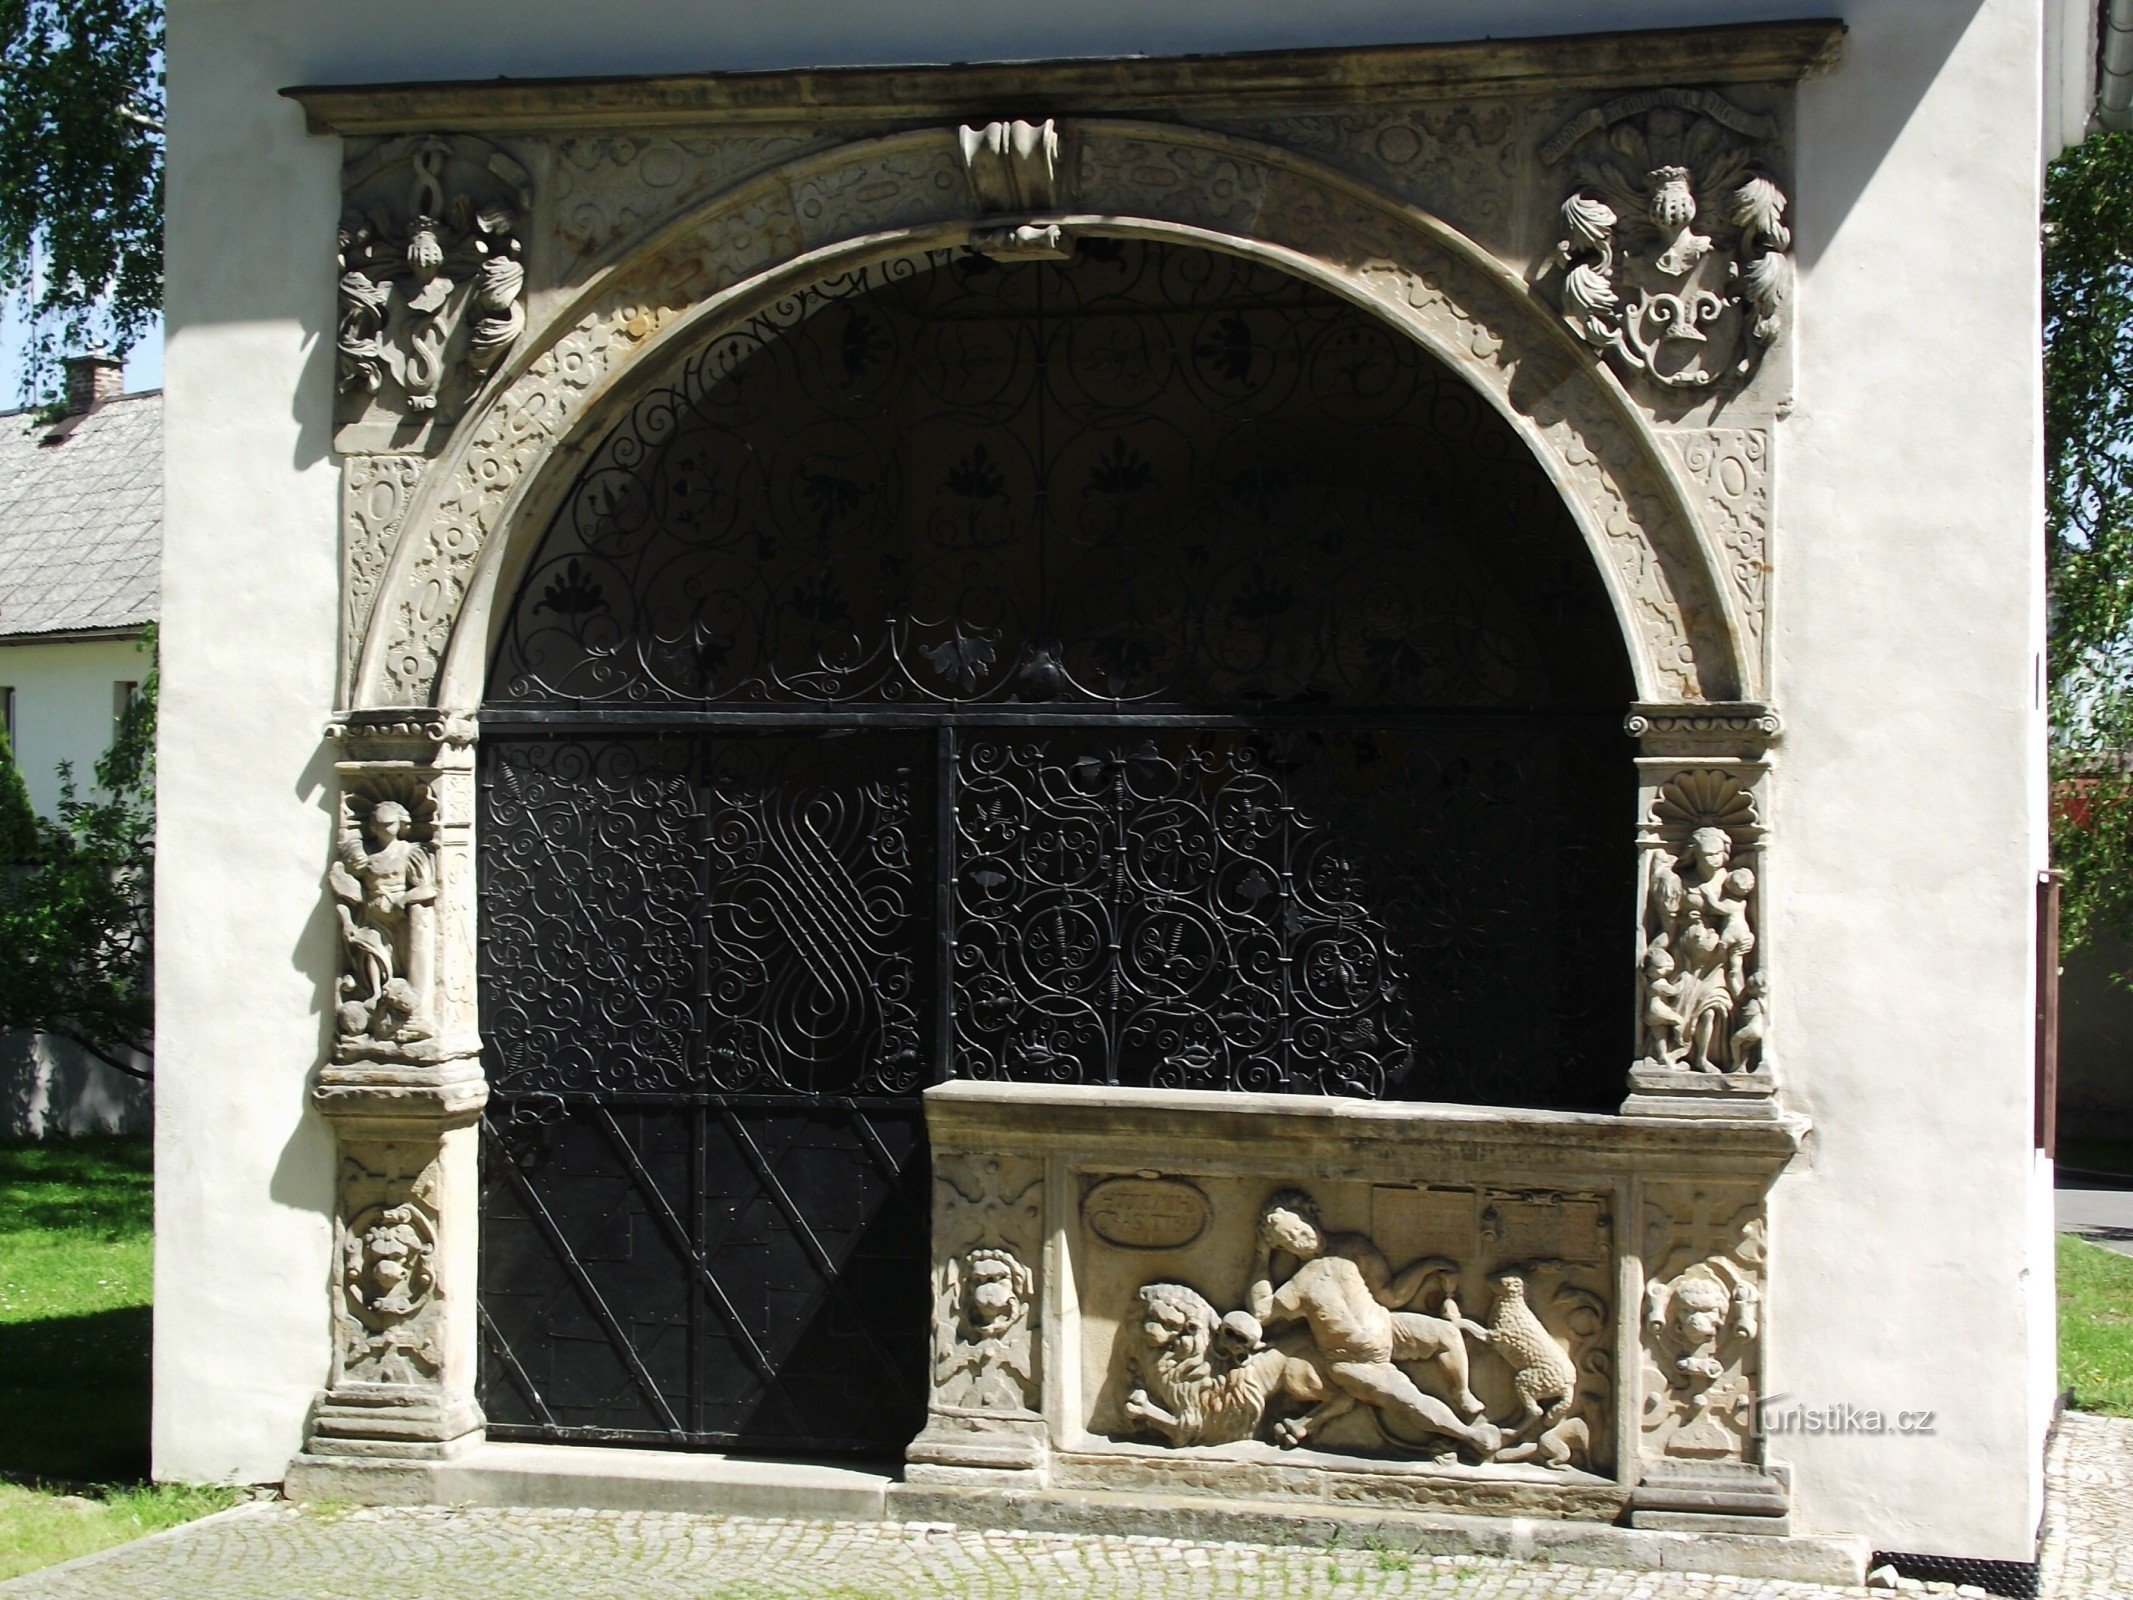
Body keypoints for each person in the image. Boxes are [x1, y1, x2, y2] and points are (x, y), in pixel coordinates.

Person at [1245, 1190, 1499, 1456]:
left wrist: (1427, 1267)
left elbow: (1390, 1295)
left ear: (1309, 1216)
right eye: (1291, 1241)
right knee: (1407, 1400)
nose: (1301, 1239)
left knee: (1446, 1333)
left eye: (1300, 1229)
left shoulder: (1350, 1251)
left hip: (1387, 1326)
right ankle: (1469, 1436)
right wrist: (1261, 1255)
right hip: (1354, 1360)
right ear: (1285, 1250)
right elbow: (1261, 1312)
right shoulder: (1300, 1285)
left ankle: (1461, 1394)